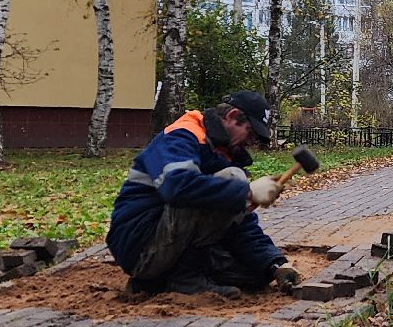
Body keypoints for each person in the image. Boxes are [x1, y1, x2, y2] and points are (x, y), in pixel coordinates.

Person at [106, 90, 302, 298]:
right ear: (232, 116)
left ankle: (157, 282)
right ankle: (183, 279)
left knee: (256, 275)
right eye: (250, 132)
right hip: (140, 246)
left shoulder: (222, 151)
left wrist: (275, 264)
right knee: (232, 179)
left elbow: (240, 223)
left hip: (170, 242)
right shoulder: (182, 136)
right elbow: (177, 187)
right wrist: (245, 191)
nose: (251, 142)